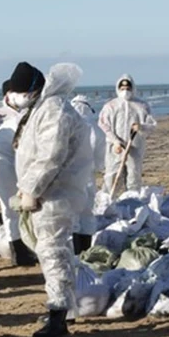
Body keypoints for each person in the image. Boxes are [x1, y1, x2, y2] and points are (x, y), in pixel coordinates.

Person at [11, 62, 94, 337]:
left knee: (52, 252)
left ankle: (58, 316)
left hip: (54, 194)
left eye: (21, 91)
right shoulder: (42, 108)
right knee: (56, 252)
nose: (17, 97)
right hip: (48, 193)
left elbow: (50, 155)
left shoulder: (54, 110)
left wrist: (32, 189)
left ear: (34, 89)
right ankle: (63, 309)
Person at [0, 79, 36, 266]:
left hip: (10, 157)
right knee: (11, 204)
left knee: (17, 203)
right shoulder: (3, 115)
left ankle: (24, 246)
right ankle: (18, 251)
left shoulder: (24, 114)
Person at [98, 74, 157, 196]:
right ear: (118, 88)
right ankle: (109, 201)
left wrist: (141, 126)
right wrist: (115, 141)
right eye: (122, 87)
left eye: (128, 87)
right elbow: (103, 124)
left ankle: (132, 202)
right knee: (112, 176)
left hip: (135, 146)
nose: (125, 90)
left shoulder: (142, 106)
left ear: (133, 88)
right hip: (115, 148)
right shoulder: (111, 106)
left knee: (133, 176)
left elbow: (152, 125)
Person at [69, 94, 102, 254]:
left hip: (69, 176)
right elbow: (100, 158)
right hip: (88, 175)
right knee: (87, 213)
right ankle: (86, 250)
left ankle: (75, 251)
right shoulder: (95, 129)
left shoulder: (68, 126)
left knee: (73, 214)